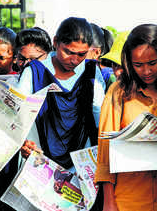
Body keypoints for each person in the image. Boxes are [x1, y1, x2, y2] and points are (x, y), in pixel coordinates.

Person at [95, 24, 157, 211]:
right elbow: (105, 150)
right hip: (128, 199)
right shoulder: (117, 92)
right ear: (129, 63)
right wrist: (108, 202)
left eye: (153, 63)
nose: (146, 71)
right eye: (138, 65)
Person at [17, 17, 106, 169]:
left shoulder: (91, 71)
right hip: (39, 157)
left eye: (81, 54)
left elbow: (100, 115)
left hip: (81, 162)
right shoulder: (34, 71)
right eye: (69, 52)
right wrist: (23, 144)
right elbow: (18, 114)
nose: (74, 60)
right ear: (55, 42)